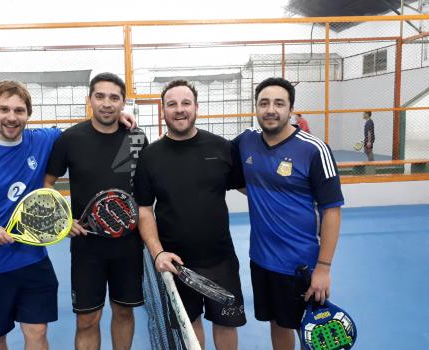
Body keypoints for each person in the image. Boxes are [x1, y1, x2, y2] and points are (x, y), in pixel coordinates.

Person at [0, 80, 136, 350]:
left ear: (28, 114)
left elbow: (88, 129)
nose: (11, 117)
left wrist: (116, 115)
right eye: (4, 109)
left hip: (32, 259)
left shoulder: (42, 140)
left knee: (37, 331)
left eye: (19, 110)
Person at [232, 77, 344, 350]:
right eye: (264, 103)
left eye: (279, 103)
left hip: (301, 266)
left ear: (291, 109)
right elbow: (212, 156)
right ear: (256, 108)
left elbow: (331, 210)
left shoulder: (314, 149)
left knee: (311, 331)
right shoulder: (245, 141)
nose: (271, 109)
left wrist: (323, 268)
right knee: (278, 324)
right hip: (261, 259)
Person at [134, 80, 247, 350]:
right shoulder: (150, 157)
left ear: (196, 107)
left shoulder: (222, 148)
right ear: (163, 111)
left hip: (221, 259)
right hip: (177, 262)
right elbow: (145, 210)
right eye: (171, 104)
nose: (179, 109)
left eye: (186, 103)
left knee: (227, 325)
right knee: (190, 326)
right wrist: (157, 252)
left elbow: (254, 193)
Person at [44, 72, 148, 350]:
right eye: (100, 96)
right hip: (86, 247)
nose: (106, 103)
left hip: (128, 245)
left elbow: (145, 191)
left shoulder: (136, 138)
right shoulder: (70, 139)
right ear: (89, 100)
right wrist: (62, 220)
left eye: (114, 97)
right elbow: (47, 184)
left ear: (122, 103)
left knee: (124, 312)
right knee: (87, 320)